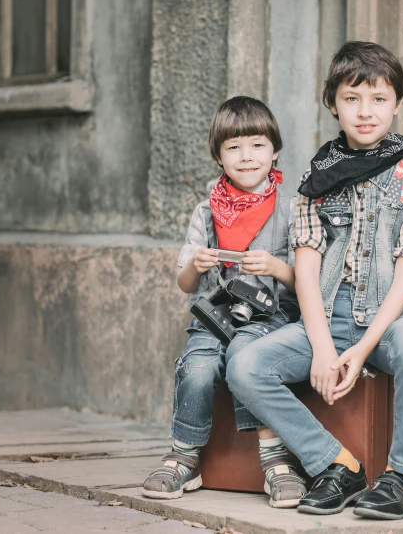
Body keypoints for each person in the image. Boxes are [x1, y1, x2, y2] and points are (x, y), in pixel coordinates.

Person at [226, 41, 403, 519]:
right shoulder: (315, 179)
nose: (366, 112)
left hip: (385, 323)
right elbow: (305, 267)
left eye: (379, 99)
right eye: (352, 98)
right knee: (245, 367)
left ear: (398, 104)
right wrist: (322, 347)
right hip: (325, 318)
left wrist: (362, 350)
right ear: (332, 103)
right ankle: (337, 466)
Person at [142, 96, 306, 508]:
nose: (246, 157)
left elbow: (308, 284)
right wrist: (196, 265)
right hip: (212, 318)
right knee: (197, 366)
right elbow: (184, 284)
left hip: (269, 319)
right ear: (218, 155)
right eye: (233, 147)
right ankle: (184, 455)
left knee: (245, 358)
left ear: (275, 150)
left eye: (257, 145)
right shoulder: (205, 211)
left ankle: (274, 459)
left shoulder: (293, 209)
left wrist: (274, 266)